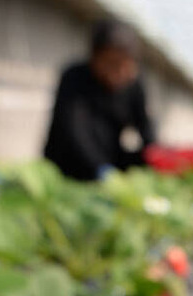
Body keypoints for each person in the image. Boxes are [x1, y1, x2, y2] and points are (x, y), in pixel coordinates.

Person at [43, 20, 155, 181]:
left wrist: (154, 156)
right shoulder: (74, 77)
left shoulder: (134, 86)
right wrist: (100, 168)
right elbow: (75, 131)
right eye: (112, 64)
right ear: (94, 58)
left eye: (125, 65)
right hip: (69, 164)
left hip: (110, 157)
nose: (119, 72)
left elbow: (145, 128)